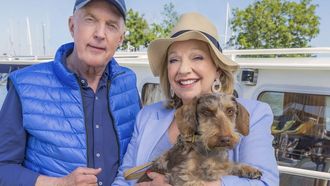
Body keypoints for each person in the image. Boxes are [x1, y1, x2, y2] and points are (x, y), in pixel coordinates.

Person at [113, 12, 279, 186]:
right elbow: (123, 179)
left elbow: (266, 182)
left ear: (217, 69)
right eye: (174, 60)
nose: (183, 69)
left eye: (197, 57)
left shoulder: (256, 113)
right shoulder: (147, 115)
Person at [0, 0, 141, 185]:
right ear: (72, 25)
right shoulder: (25, 85)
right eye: (90, 20)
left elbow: (138, 153)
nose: (100, 34)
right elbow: (3, 167)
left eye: (111, 25)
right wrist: (58, 183)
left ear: (121, 38)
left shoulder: (128, 82)